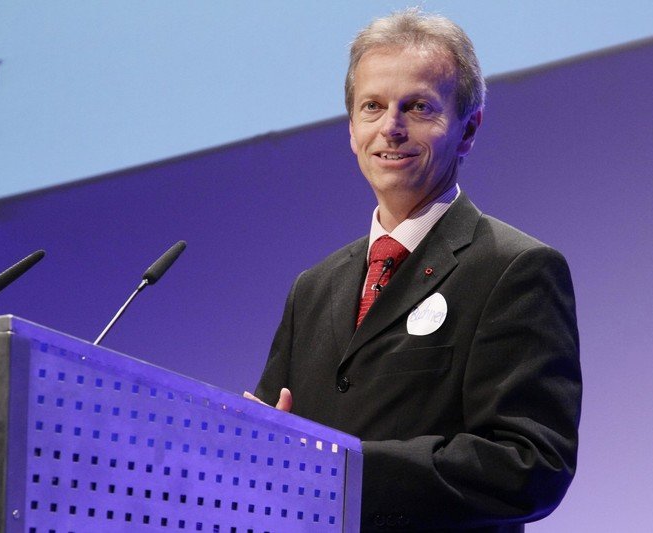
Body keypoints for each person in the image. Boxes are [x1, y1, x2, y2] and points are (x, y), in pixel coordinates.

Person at [248, 8, 581, 532]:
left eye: (418, 107)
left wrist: (347, 469)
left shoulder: (514, 269)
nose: (391, 128)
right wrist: (251, 443)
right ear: (352, 129)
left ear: (468, 129)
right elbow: (274, 448)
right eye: (373, 107)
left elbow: (530, 464)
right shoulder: (313, 288)